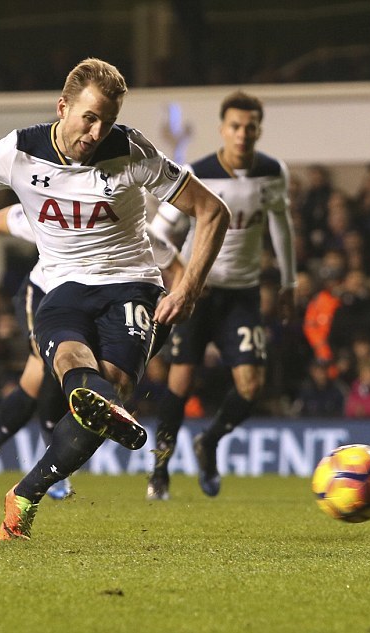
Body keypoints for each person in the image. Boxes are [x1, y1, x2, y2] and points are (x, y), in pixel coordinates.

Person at [0, 58, 230, 540]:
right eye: (89, 118)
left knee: (107, 388)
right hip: (61, 287)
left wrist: (187, 287)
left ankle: (25, 493)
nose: (97, 132)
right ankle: (88, 407)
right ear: (63, 107)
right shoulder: (17, 151)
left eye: (108, 121)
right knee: (85, 379)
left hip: (133, 284)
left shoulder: (134, 151)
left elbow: (211, 211)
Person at [0, 203, 184, 502]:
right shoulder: (55, 207)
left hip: (100, 305)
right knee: (51, 370)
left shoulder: (134, 231)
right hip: (43, 295)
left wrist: (173, 306)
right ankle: (47, 466)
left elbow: (178, 268)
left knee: (38, 383)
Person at [147, 90, 297, 500]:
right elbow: (158, 233)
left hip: (243, 294)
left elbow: (281, 226)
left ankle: (208, 442)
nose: (243, 134)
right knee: (180, 382)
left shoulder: (272, 172)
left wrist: (289, 282)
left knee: (252, 385)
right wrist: (183, 275)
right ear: (222, 129)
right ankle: (159, 472)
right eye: (235, 126)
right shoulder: (196, 173)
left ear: (258, 130)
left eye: (250, 127)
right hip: (198, 295)